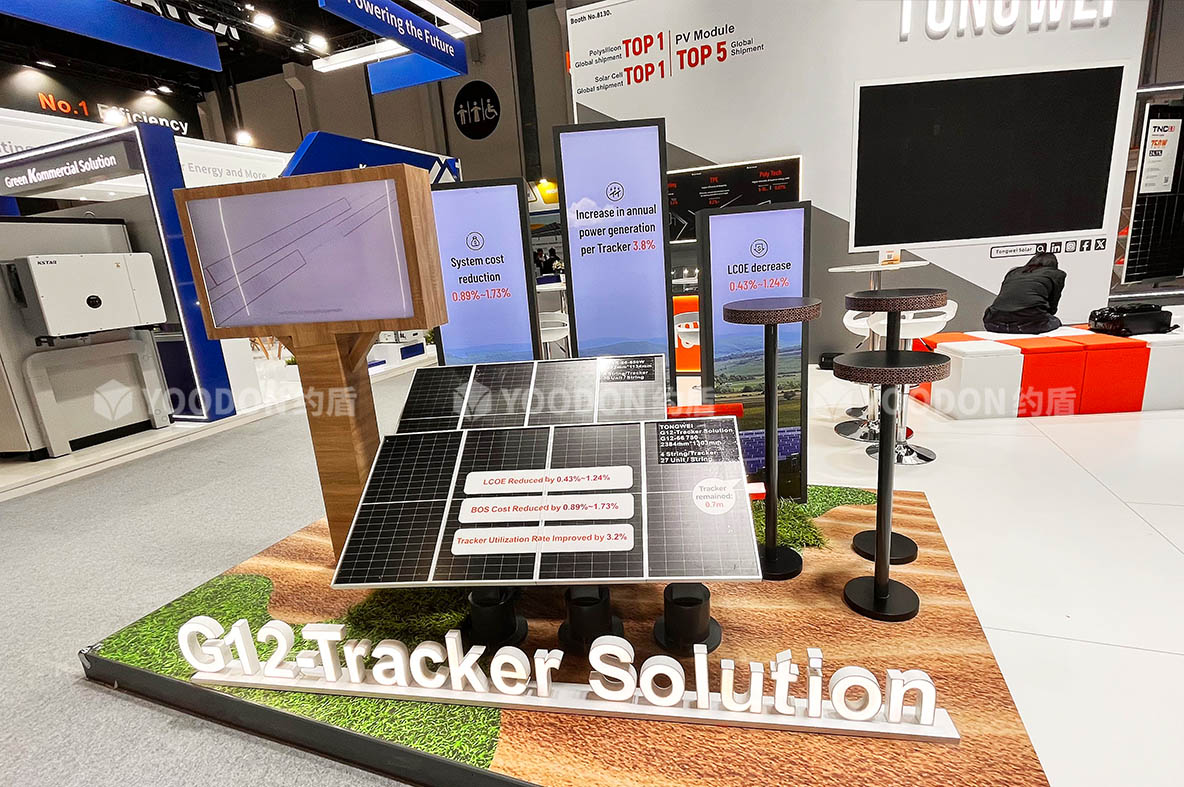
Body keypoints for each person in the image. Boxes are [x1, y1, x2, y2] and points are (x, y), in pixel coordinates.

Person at [982, 252, 1066, 334]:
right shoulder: (1056, 274)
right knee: (1055, 321)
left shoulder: (1013, 272)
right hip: (1029, 324)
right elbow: (1053, 305)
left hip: (993, 323)